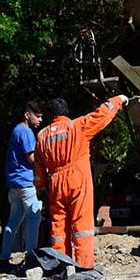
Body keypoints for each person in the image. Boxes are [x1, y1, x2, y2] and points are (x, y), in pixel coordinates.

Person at [35, 96, 127, 268]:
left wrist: (40, 186)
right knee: (81, 223)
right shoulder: (77, 126)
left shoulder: (42, 135)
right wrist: (119, 100)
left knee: (59, 225)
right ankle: (84, 265)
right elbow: (101, 115)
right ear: (66, 112)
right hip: (77, 179)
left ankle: (61, 265)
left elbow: (38, 166)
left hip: (55, 182)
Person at [0, 102, 44, 273]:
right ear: (27, 115)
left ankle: (4, 259)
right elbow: (32, 157)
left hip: (13, 185)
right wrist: (45, 167)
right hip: (25, 184)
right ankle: (31, 258)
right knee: (35, 217)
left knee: (13, 223)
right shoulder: (26, 132)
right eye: (37, 116)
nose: (40, 119)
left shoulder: (16, 130)